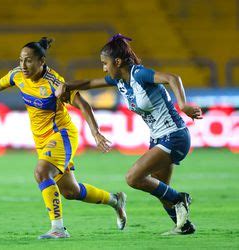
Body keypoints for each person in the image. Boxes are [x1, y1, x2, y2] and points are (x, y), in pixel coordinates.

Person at [0, 37, 127, 239]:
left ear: (41, 61)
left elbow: (83, 105)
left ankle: (58, 229)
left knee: (42, 171)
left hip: (62, 134)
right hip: (42, 141)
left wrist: (95, 132)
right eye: (20, 60)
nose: (23, 65)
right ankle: (115, 200)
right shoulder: (17, 75)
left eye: (28, 60)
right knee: (71, 191)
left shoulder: (55, 83)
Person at [55, 34, 203, 235]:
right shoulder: (120, 81)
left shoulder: (139, 74)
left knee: (133, 178)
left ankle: (180, 199)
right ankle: (184, 226)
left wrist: (183, 104)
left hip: (175, 136)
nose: (104, 68)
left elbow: (172, 78)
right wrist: (68, 85)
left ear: (117, 62)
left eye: (105, 64)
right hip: (158, 138)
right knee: (161, 189)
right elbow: (90, 83)